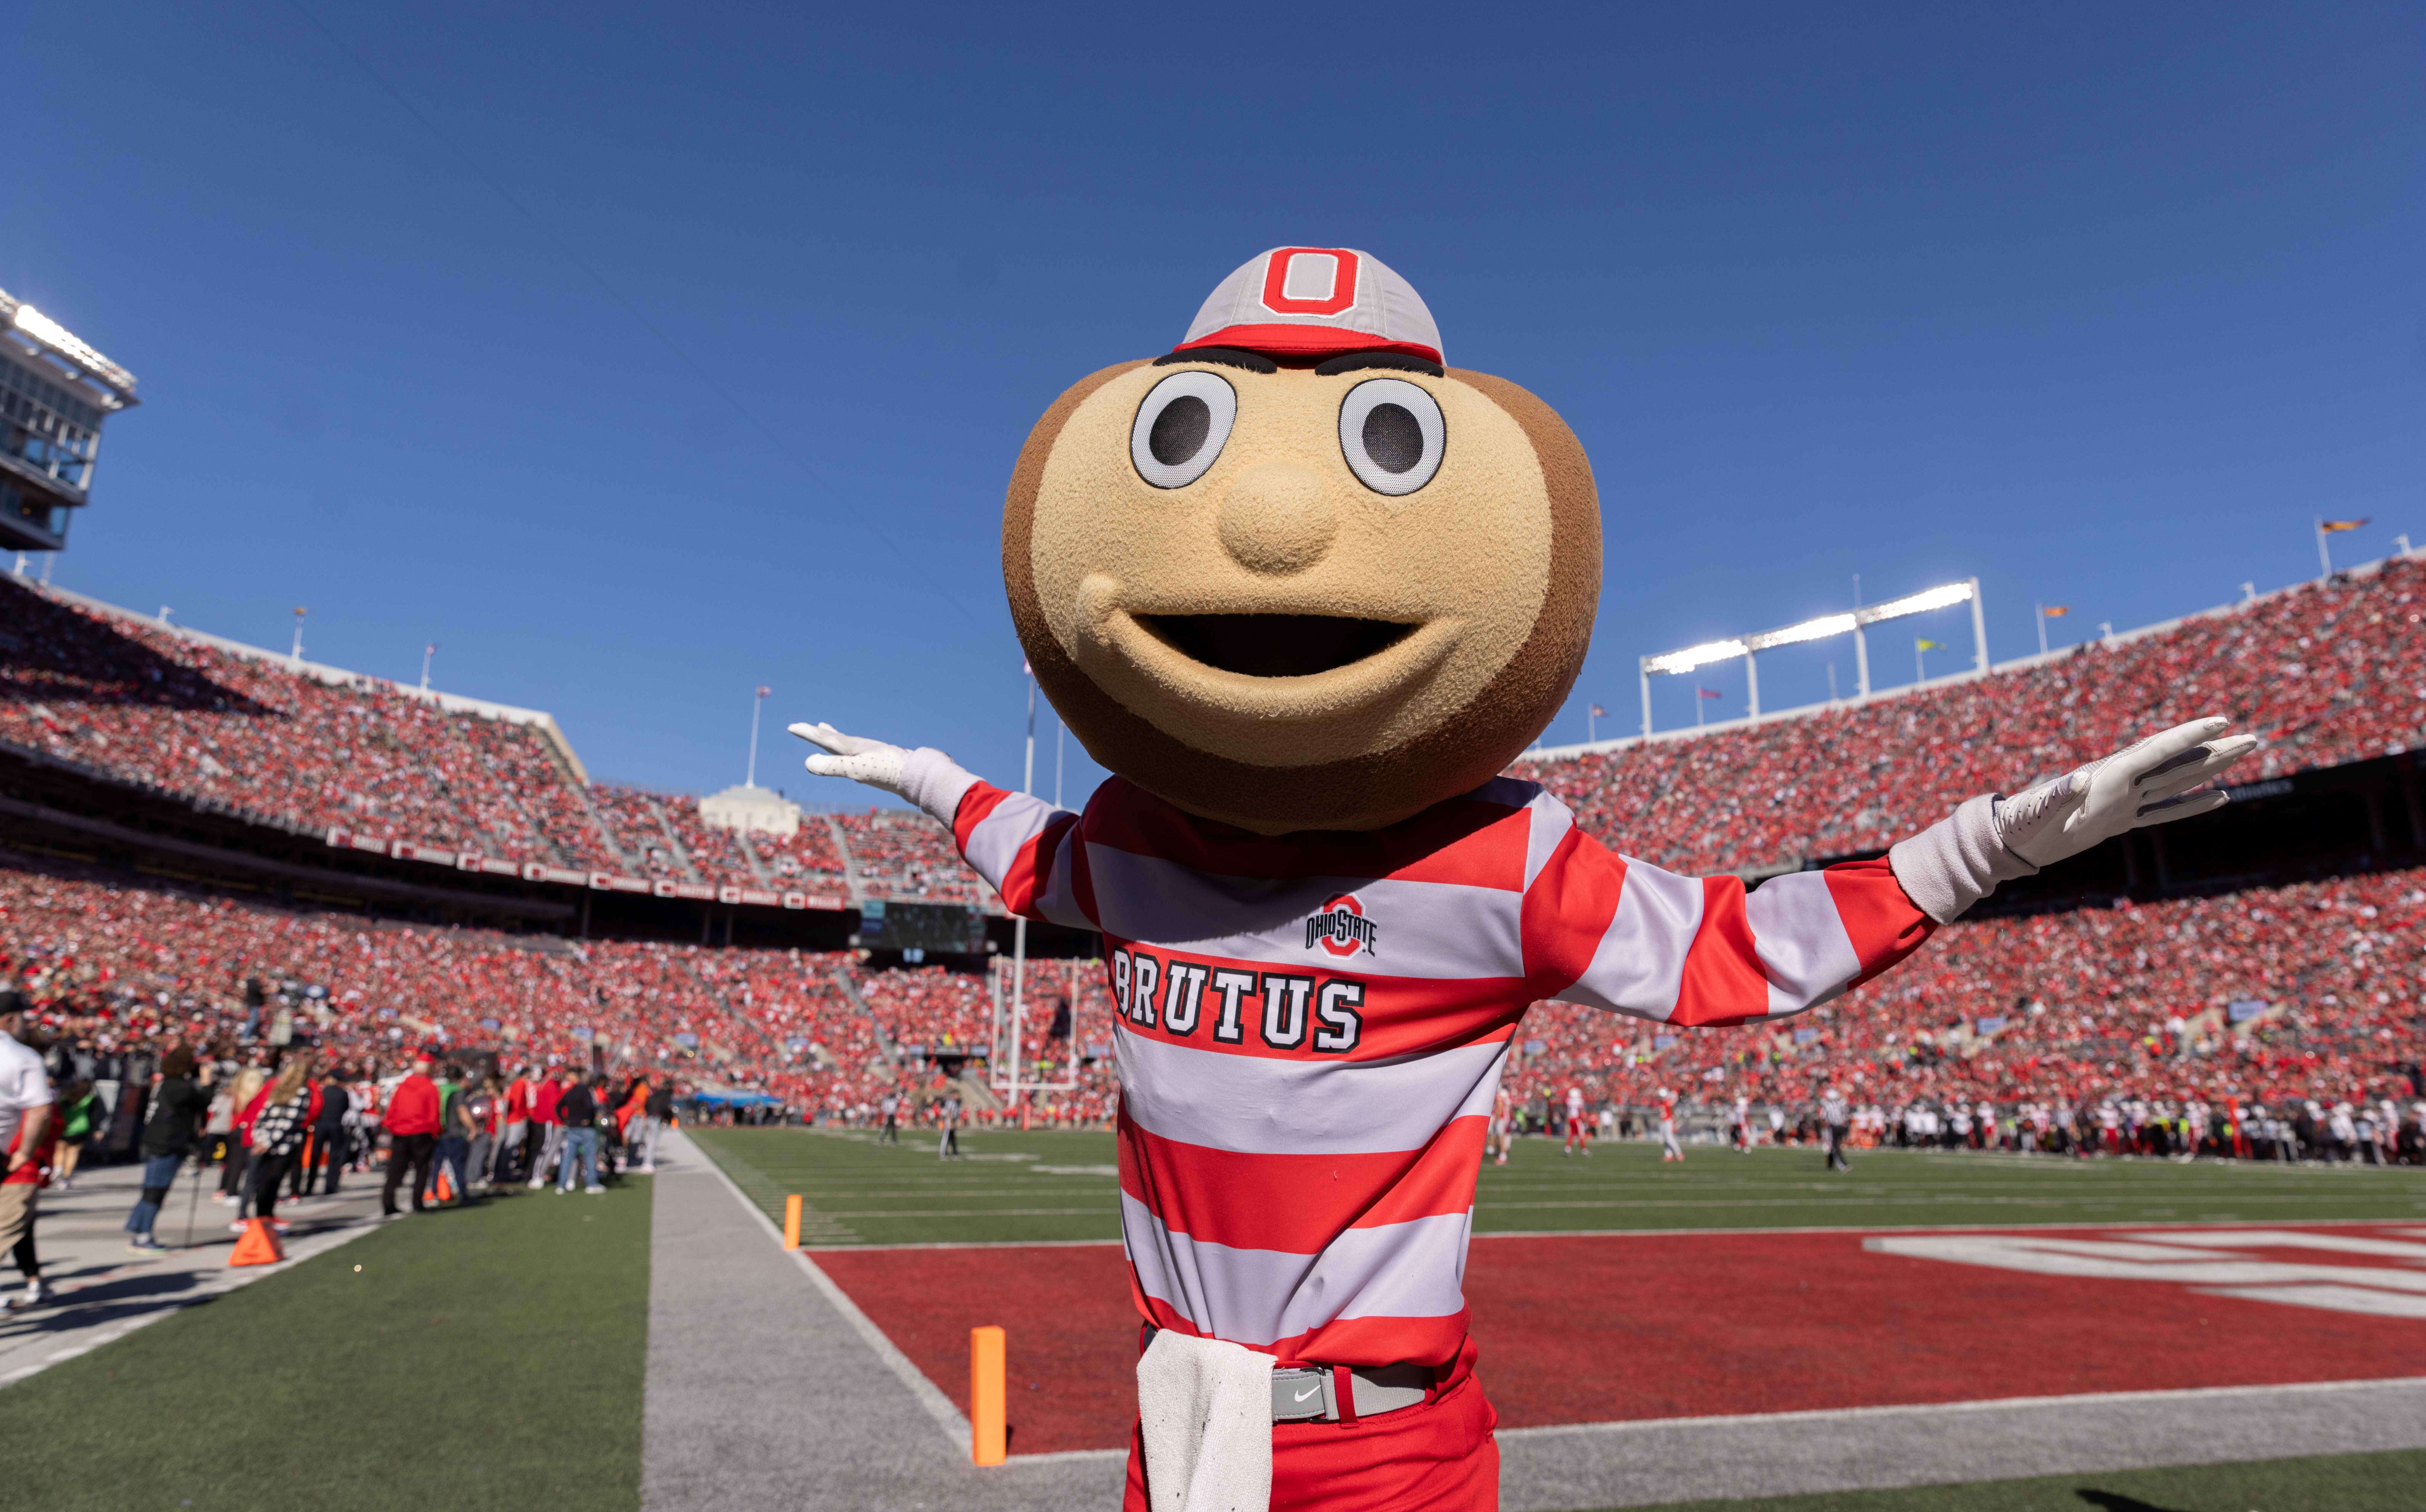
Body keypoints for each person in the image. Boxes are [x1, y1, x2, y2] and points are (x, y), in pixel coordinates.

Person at [125, 1046, 213, 1254]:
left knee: (151, 1188)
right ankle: (144, 1235)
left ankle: (138, 1226)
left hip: (157, 1141)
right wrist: (207, 1082)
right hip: (167, 1144)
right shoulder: (179, 1087)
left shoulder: (168, 1084)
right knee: (156, 1190)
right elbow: (203, 1101)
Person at [0, 992, 56, 1311]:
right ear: (10, 1018)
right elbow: (42, 1112)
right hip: (14, 1165)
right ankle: (34, 1281)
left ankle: (34, 1280)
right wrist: (25, 1153)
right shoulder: (21, 1057)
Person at [240, 1060, 311, 1230]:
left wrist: (261, 1139)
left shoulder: (279, 1088)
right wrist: (264, 1142)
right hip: (282, 1144)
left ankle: (265, 1216)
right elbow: (289, 1122)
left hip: (268, 1140)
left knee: (266, 1181)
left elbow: (264, 1116)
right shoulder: (301, 1092)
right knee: (270, 1181)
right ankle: (264, 1217)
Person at [381, 1052, 443, 1218]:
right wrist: (435, 1131)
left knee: (396, 1169)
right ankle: (417, 1203)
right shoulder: (430, 1088)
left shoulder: (403, 1086)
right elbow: (434, 1113)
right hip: (422, 1132)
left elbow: (393, 1110)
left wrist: (392, 1126)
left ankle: (388, 1202)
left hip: (401, 1132)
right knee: (422, 1169)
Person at [302, 1067, 351, 1196]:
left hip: (321, 1125)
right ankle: (331, 1186)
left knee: (316, 1156)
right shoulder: (343, 1093)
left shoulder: (322, 1092)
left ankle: (310, 1186)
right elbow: (346, 1108)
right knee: (334, 1157)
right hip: (336, 1125)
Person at [554, 1073, 604, 1195]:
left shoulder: (571, 1092)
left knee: (568, 1157)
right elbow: (590, 1107)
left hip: (573, 1128)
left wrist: (565, 1120)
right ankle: (591, 1184)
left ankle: (561, 1185)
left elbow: (558, 1107)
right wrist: (589, 1118)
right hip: (586, 1128)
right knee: (589, 1156)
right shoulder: (586, 1092)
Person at [527, 1065, 565, 1190]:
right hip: (547, 1121)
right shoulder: (551, 1085)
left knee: (544, 1148)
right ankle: (538, 1176)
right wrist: (559, 1121)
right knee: (546, 1148)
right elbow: (554, 1106)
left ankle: (536, 1175)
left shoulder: (546, 1084)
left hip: (542, 1120)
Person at [497, 1065, 533, 1183]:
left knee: (511, 1145)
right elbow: (517, 1103)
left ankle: (504, 1172)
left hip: (513, 1118)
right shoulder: (520, 1084)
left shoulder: (516, 1084)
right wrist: (523, 1115)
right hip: (516, 1119)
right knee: (511, 1146)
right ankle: (504, 1172)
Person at [636, 1077, 673, 1173]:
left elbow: (648, 1104)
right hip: (655, 1118)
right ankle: (648, 1164)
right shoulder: (666, 1094)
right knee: (653, 1142)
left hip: (649, 1117)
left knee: (648, 1141)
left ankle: (646, 1162)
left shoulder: (657, 1093)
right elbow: (665, 1107)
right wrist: (667, 1118)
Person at [1822, 1086, 1853, 1172]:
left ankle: (1843, 1165)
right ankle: (1830, 1166)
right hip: (1841, 1127)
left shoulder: (1827, 1106)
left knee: (1834, 1147)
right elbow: (1846, 1115)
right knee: (1834, 1146)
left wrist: (1825, 1129)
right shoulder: (1840, 1104)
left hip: (1833, 1128)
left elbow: (1823, 1118)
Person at [1561, 1085, 1589, 1158]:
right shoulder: (1579, 1101)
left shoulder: (1568, 1101)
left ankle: (1568, 1148)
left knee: (1572, 1134)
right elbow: (1581, 1112)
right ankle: (1584, 1150)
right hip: (1577, 1119)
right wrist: (1584, 1121)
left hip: (1570, 1119)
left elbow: (1566, 1108)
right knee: (1581, 1135)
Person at [1657, 1088, 1683, 1163]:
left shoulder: (1668, 1102)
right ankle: (1669, 1155)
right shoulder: (1662, 1102)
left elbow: (1673, 1111)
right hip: (1663, 1121)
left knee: (1669, 1138)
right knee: (1665, 1139)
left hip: (1668, 1121)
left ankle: (1679, 1153)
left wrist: (1674, 1121)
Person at [938, 1091, 962, 1159]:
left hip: (951, 1121)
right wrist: (951, 1123)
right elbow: (949, 1112)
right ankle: (943, 1153)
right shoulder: (952, 1102)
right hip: (949, 1121)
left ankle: (955, 1153)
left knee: (952, 1137)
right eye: (957, 1095)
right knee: (946, 1138)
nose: (958, 1096)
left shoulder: (954, 1102)